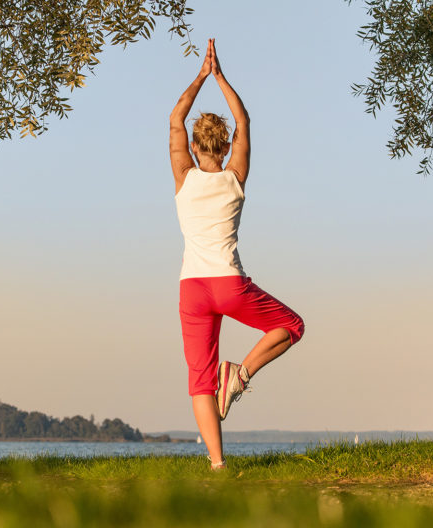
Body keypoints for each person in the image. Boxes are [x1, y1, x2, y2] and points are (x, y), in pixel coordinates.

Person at [169, 39, 306, 471]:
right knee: (292, 326)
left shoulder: (183, 176)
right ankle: (241, 375)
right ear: (226, 147)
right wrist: (222, 77)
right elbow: (244, 120)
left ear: (193, 147)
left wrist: (200, 77)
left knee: (199, 381)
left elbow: (175, 118)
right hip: (229, 284)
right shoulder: (235, 177)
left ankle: (217, 465)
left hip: (192, 288)